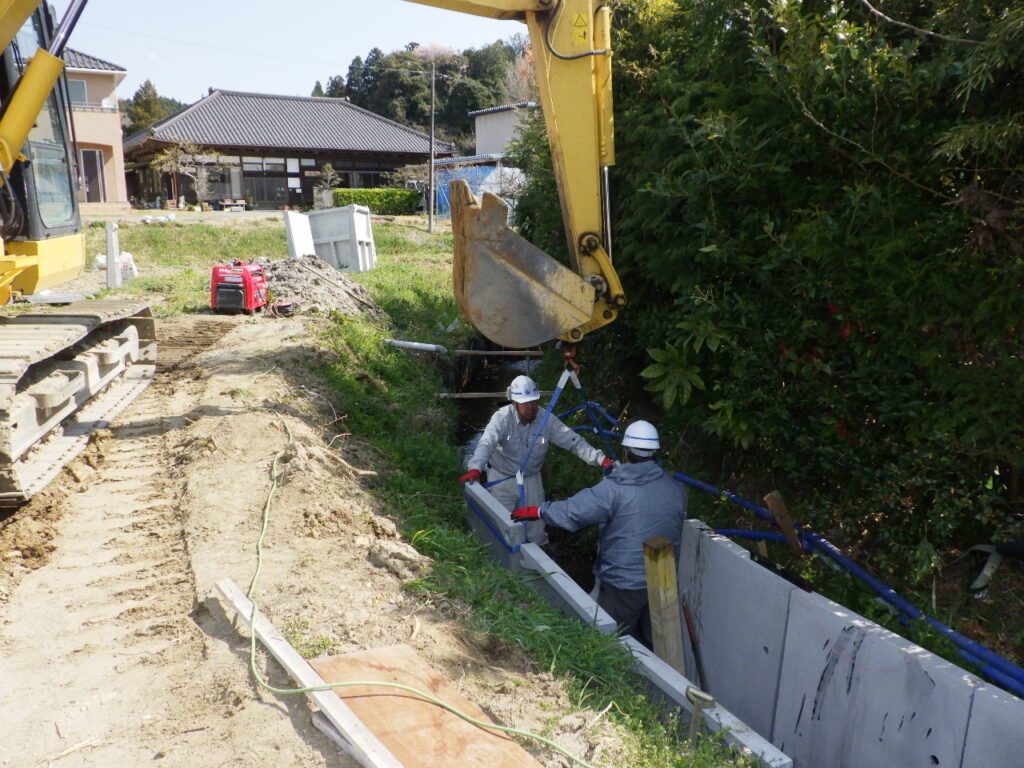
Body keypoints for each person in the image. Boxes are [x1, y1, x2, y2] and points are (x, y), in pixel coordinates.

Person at [511, 420, 687, 648]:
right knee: (655, 644)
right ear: (655, 452)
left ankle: (617, 681)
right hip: (663, 580)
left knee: (612, 643)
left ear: (625, 452)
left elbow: (575, 511)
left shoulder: (615, 489)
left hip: (623, 584)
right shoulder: (675, 489)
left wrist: (539, 510)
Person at [459, 374, 613, 542]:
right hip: (502, 480)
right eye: (526, 403)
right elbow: (486, 444)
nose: (531, 407)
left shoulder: (546, 420)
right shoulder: (502, 418)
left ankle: (538, 562)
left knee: (536, 531)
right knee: (500, 526)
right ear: (514, 403)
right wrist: (475, 467)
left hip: (532, 480)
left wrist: (600, 460)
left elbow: (573, 442)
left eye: (534, 401)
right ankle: (501, 564)